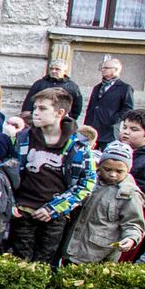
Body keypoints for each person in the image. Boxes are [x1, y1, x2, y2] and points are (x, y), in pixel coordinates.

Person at [7, 90, 93, 266]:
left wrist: (54, 209)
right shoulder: (23, 138)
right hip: (22, 210)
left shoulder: (77, 146)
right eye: (35, 108)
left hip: (54, 215)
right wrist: (11, 202)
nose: (35, 113)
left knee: (43, 265)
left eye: (42, 108)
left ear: (59, 113)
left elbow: (87, 183)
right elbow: (8, 171)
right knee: (18, 263)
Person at [63, 141, 145, 265]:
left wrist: (131, 239)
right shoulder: (88, 182)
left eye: (119, 171)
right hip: (71, 246)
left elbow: (134, 223)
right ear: (99, 166)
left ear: (128, 170)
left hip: (99, 254)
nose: (112, 174)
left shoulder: (128, 194)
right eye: (107, 169)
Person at [84, 56, 134, 145]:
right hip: (92, 130)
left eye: (106, 68)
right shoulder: (97, 87)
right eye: (102, 67)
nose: (102, 70)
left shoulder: (125, 88)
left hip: (109, 132)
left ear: (115, 70)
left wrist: (114, 119)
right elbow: (91, 107)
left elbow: (128, 109)